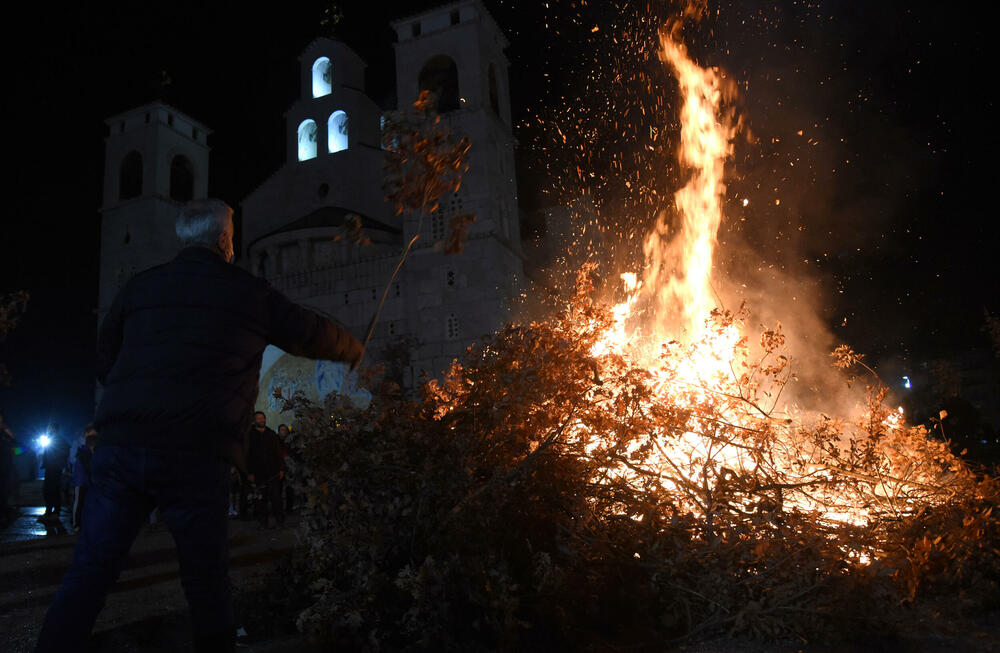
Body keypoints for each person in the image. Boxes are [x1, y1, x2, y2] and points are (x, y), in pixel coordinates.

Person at [36, 199, 364, 653]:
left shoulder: (140, 287)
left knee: (90, 570)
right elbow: (308, 331)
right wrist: (353, 348)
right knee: (206, 584)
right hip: (196, 452)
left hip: (123, 449)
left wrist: (133, 399)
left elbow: (104, 356)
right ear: (225, 240)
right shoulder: (248, 292)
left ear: (183, 238)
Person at [246, 412, 285, 528]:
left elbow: (278, 453)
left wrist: (281, 469)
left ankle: (280, 521)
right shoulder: (250, 435)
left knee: (276, 498)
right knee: (261, 500)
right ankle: (263, 522)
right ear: (254, 420)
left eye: (263, 418)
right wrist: (249, 472)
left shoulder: (271, 434)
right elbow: (247, 455)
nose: (261, 420)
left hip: (272, 472)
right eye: (259, 418)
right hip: (258, 473)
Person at [71, 426, 98, 532]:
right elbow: (85, 465)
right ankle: (77, 523)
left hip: (88, 479)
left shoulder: (90, 448)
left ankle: (84, 523)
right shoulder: (82, 449)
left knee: (87, 502)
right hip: (82, 479)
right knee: (79, 501)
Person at [39, 425, 69, 523]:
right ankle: (52, 512)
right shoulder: (57, 440)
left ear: (53, 429)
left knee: (51, 490)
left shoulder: (57, 440)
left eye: (49, 428)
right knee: (52, 490)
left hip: (53, 468)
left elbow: (61, 452)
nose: (47, 430)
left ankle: (52, 512)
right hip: (53, 468)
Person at [0, 410, 17, 526]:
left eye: (1, 420)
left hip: (6, 469)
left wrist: (12, 438)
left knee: (4, 493)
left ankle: (4, 514)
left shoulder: (6, 435)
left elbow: (19, 450)